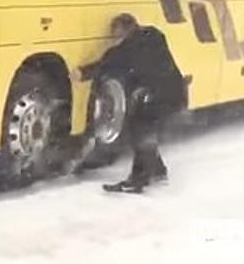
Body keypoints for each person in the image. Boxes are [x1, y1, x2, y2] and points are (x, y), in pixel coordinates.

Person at [78, 13, 186, 194]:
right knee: (144, 129)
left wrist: (82, 73)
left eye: (116, 32)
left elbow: (105, 64)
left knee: (141, 130)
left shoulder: (126, 49)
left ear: (123, 29)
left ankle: (137, 180)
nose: (114, 37)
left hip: (157, 95)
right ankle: (157, 170)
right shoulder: (154, 35)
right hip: (174, 91)